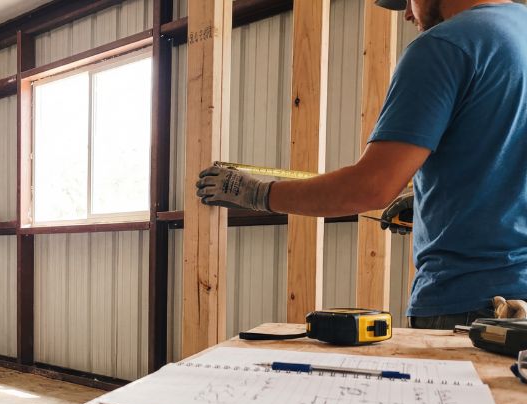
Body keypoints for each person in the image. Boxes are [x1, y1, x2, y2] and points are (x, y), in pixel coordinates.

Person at [194, 0, 527, 330]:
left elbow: (370, 187)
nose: (408, 14)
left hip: (473, 308)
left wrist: (256, 193)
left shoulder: (444, 47)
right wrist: (433, 204)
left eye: (408, 0)